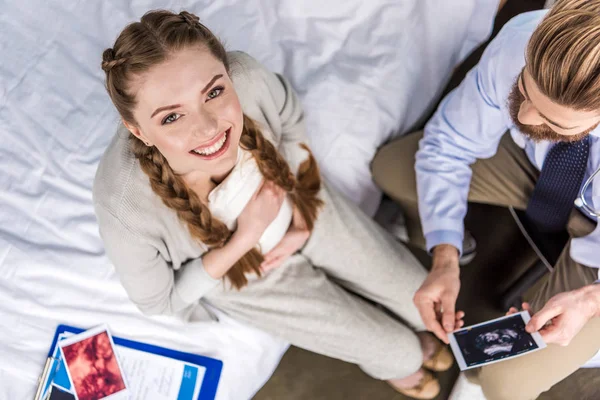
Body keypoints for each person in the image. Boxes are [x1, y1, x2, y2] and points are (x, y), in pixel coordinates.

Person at [93, 10, 455, 399]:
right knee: (398, 352)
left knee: (419, 296)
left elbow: (291, 121)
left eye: (214, 92)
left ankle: (412, 343)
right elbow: (161, 301)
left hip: (299, 201)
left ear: (228, 75)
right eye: (172, 117)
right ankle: (403, 365)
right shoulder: (124, 204)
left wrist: (303, 208)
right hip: (244, 276)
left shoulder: (247, 78)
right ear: (137, 129)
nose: (209, 128)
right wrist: (244, 237)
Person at [372, 1, 600, 399]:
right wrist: (444, 253)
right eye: (525, 88)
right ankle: (461, 246)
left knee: (501, 383)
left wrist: (590, 299)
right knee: (393, 168)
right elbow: (447, 143)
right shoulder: (526, 36)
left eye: (554, 122)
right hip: (530, 170)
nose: (525, 119)